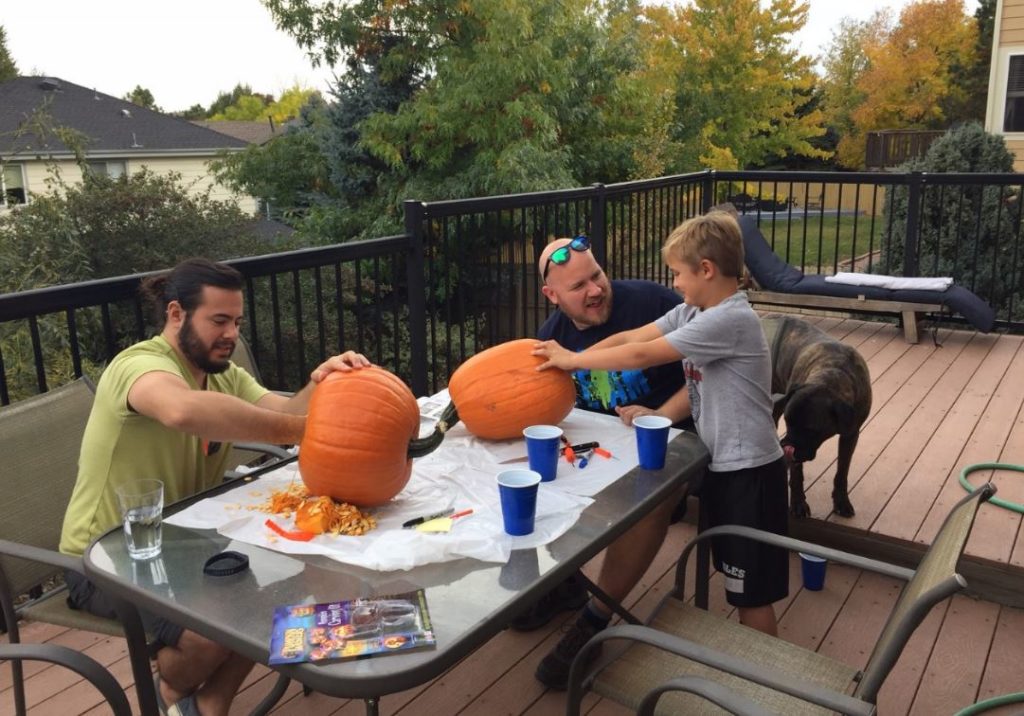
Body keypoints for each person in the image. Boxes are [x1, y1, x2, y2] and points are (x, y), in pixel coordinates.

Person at [59, 258, 371, 716]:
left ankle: (210, 701)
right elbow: (181, 411)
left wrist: (320, 382)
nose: (230, 333)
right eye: (219, 320)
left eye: (236, 321)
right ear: (176, 314)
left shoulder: (219, 370)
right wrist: (304, 430)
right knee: (213, 632)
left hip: (183, 543)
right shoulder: (139, 365)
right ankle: (166, 695)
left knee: (289, 586)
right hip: (104, 558)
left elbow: (281, 411)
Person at [531, 211, 788, 689]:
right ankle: (567, 587)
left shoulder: (727, 320)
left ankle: (768, 690)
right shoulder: (694, 310)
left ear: (706, 270)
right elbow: (633, 337)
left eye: (677, 273)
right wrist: (565, 357)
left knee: (753, 594)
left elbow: (642, 355)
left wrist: (574, 359)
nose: (672, 283)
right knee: (734, 578)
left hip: (750, 474)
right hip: (723, 467)